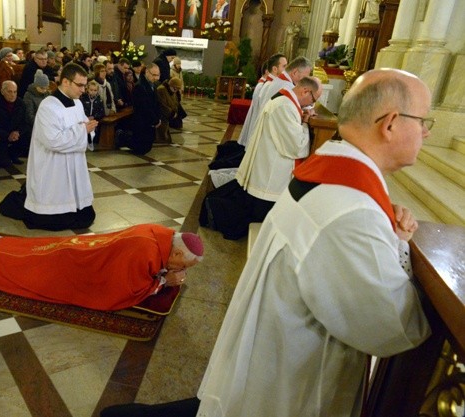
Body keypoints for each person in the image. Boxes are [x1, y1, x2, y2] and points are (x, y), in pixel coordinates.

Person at [101, 68, 433, 417]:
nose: (426, 131)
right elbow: (391, 326)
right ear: (391, 123)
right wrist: (401, 251)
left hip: (267, 360)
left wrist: (390, 236)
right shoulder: (351, 210)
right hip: (287, 388)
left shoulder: (334, 178)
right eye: (424, 120)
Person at [0, 225, 203, 311]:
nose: (181, 270)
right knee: (34, 268)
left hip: (85, 251)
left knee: (37, 251)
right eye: (183, 265)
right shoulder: (145, 252)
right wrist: (165, 281)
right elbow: (128, 289)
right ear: (176, 253)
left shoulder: (162, 234)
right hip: (78, 266)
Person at [235, 76, 322, 223]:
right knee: (262, 216)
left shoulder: (286, 100)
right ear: (305, 91)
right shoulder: (285, 106)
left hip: (269, 163)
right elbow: (296, 146)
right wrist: (306, 124)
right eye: (313, 99)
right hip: (271, 171)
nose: (312, 104)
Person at [23, 63, 97, 231]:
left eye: (85, 85)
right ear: (65, 82)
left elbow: (84, 124)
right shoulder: (49, 106)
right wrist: (82, 130)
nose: (83, 90)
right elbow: (52, 140)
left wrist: (88, 128)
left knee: (82, 212)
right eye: (80, 85)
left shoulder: (77, 103)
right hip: (53, 165)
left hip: (75, 162)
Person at [237, 53, 287, 147]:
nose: (286, 70)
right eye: (284, 66)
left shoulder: (268, 84)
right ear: (274, 69)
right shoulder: (268, 86)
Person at [119, 63, 161, 155]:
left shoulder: (153, 85)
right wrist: (154, 120)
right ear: (147, 72)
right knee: (141, 148)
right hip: (143, 122)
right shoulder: (140, 86)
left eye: (158, 75)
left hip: (150, 121)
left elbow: (156, 103)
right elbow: (144, 107)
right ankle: (121, 138)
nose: (156, 78)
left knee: (147, 146)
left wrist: (158, 118)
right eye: (154, 75)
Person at [0, 80, 29, 167]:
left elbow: (25, 122)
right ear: (2, 91)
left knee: (29, 133)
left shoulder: (21, 103)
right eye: (9, 91)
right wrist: (7, 135)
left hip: (15, 134)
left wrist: (17, 132)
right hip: (1, 135)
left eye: (15, 92)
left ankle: (14, 154)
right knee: (4, 164)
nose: (13, 95)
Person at [156, 77, 183, 143]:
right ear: (170, 85)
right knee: (161, 134)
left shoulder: (172, 91)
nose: (176, 90)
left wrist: (174, 112)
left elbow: (175, 102)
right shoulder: (161, 90)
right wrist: (171, 113)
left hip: (168, 114)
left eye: (177, 89)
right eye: (175, 88)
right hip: (161, 115)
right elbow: (161, 104)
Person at [80, 80, 105, 147]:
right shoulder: (82, 99)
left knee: (95, 133)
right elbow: (79, 111)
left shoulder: (99, 100)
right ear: (87, 89)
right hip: (84, 121)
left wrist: (94, 117)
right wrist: (86, 118)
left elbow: (102, 112)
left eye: (95, 90)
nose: (93, 92)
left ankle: (94, 144)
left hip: (95, 121)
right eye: (91, 90)